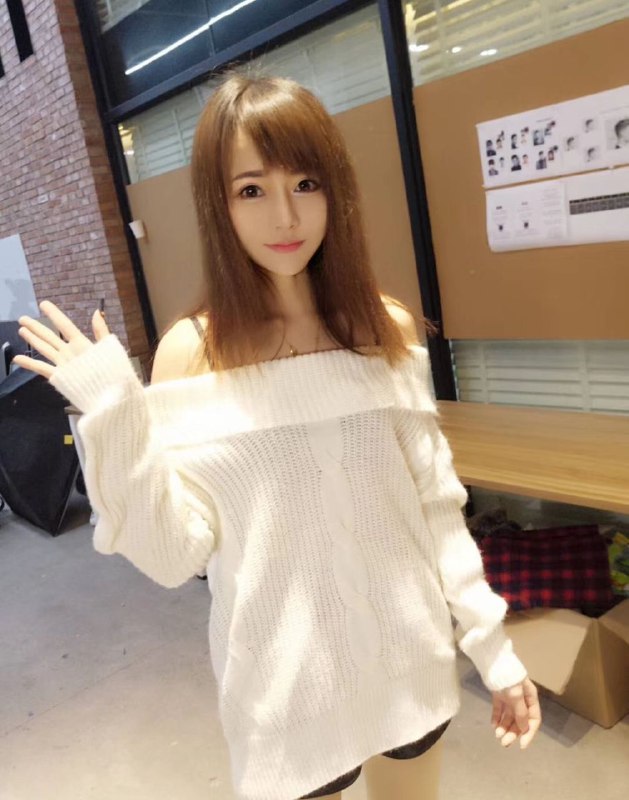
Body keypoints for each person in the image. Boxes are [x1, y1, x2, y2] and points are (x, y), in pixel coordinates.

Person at [13, 74, 541, 800]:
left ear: (335, 191)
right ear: (217, 204)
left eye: (305, 183)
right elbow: (174, 555)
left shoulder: (383, 330)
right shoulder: (191, 354)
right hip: (287, 697)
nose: (285, 214)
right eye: (251, 190)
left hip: (409, 660)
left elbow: (436, 514)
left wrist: (494, 651)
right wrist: (114, 417)